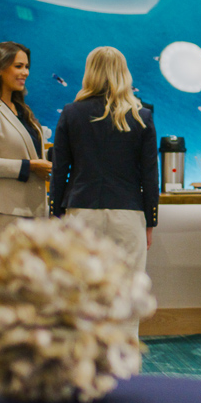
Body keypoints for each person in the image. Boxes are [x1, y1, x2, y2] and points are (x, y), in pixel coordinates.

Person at [49, 46, 159, 337]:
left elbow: (59, 170)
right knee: (127, 296)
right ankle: (124, 370)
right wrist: (151, 220)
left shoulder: (71, 113)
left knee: (80, 296)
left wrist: (56, 215)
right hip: (128, 214)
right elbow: (150, 176)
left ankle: (82, 368)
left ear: (90, 72)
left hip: (81, 212)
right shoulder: (142, 116)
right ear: (124, 73)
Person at [0, 41, 51, 242]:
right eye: (19, 66)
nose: (26, 72)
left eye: (27, 67)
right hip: (4, 215)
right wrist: (30, 166)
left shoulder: (23, 111)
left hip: (33, 213)